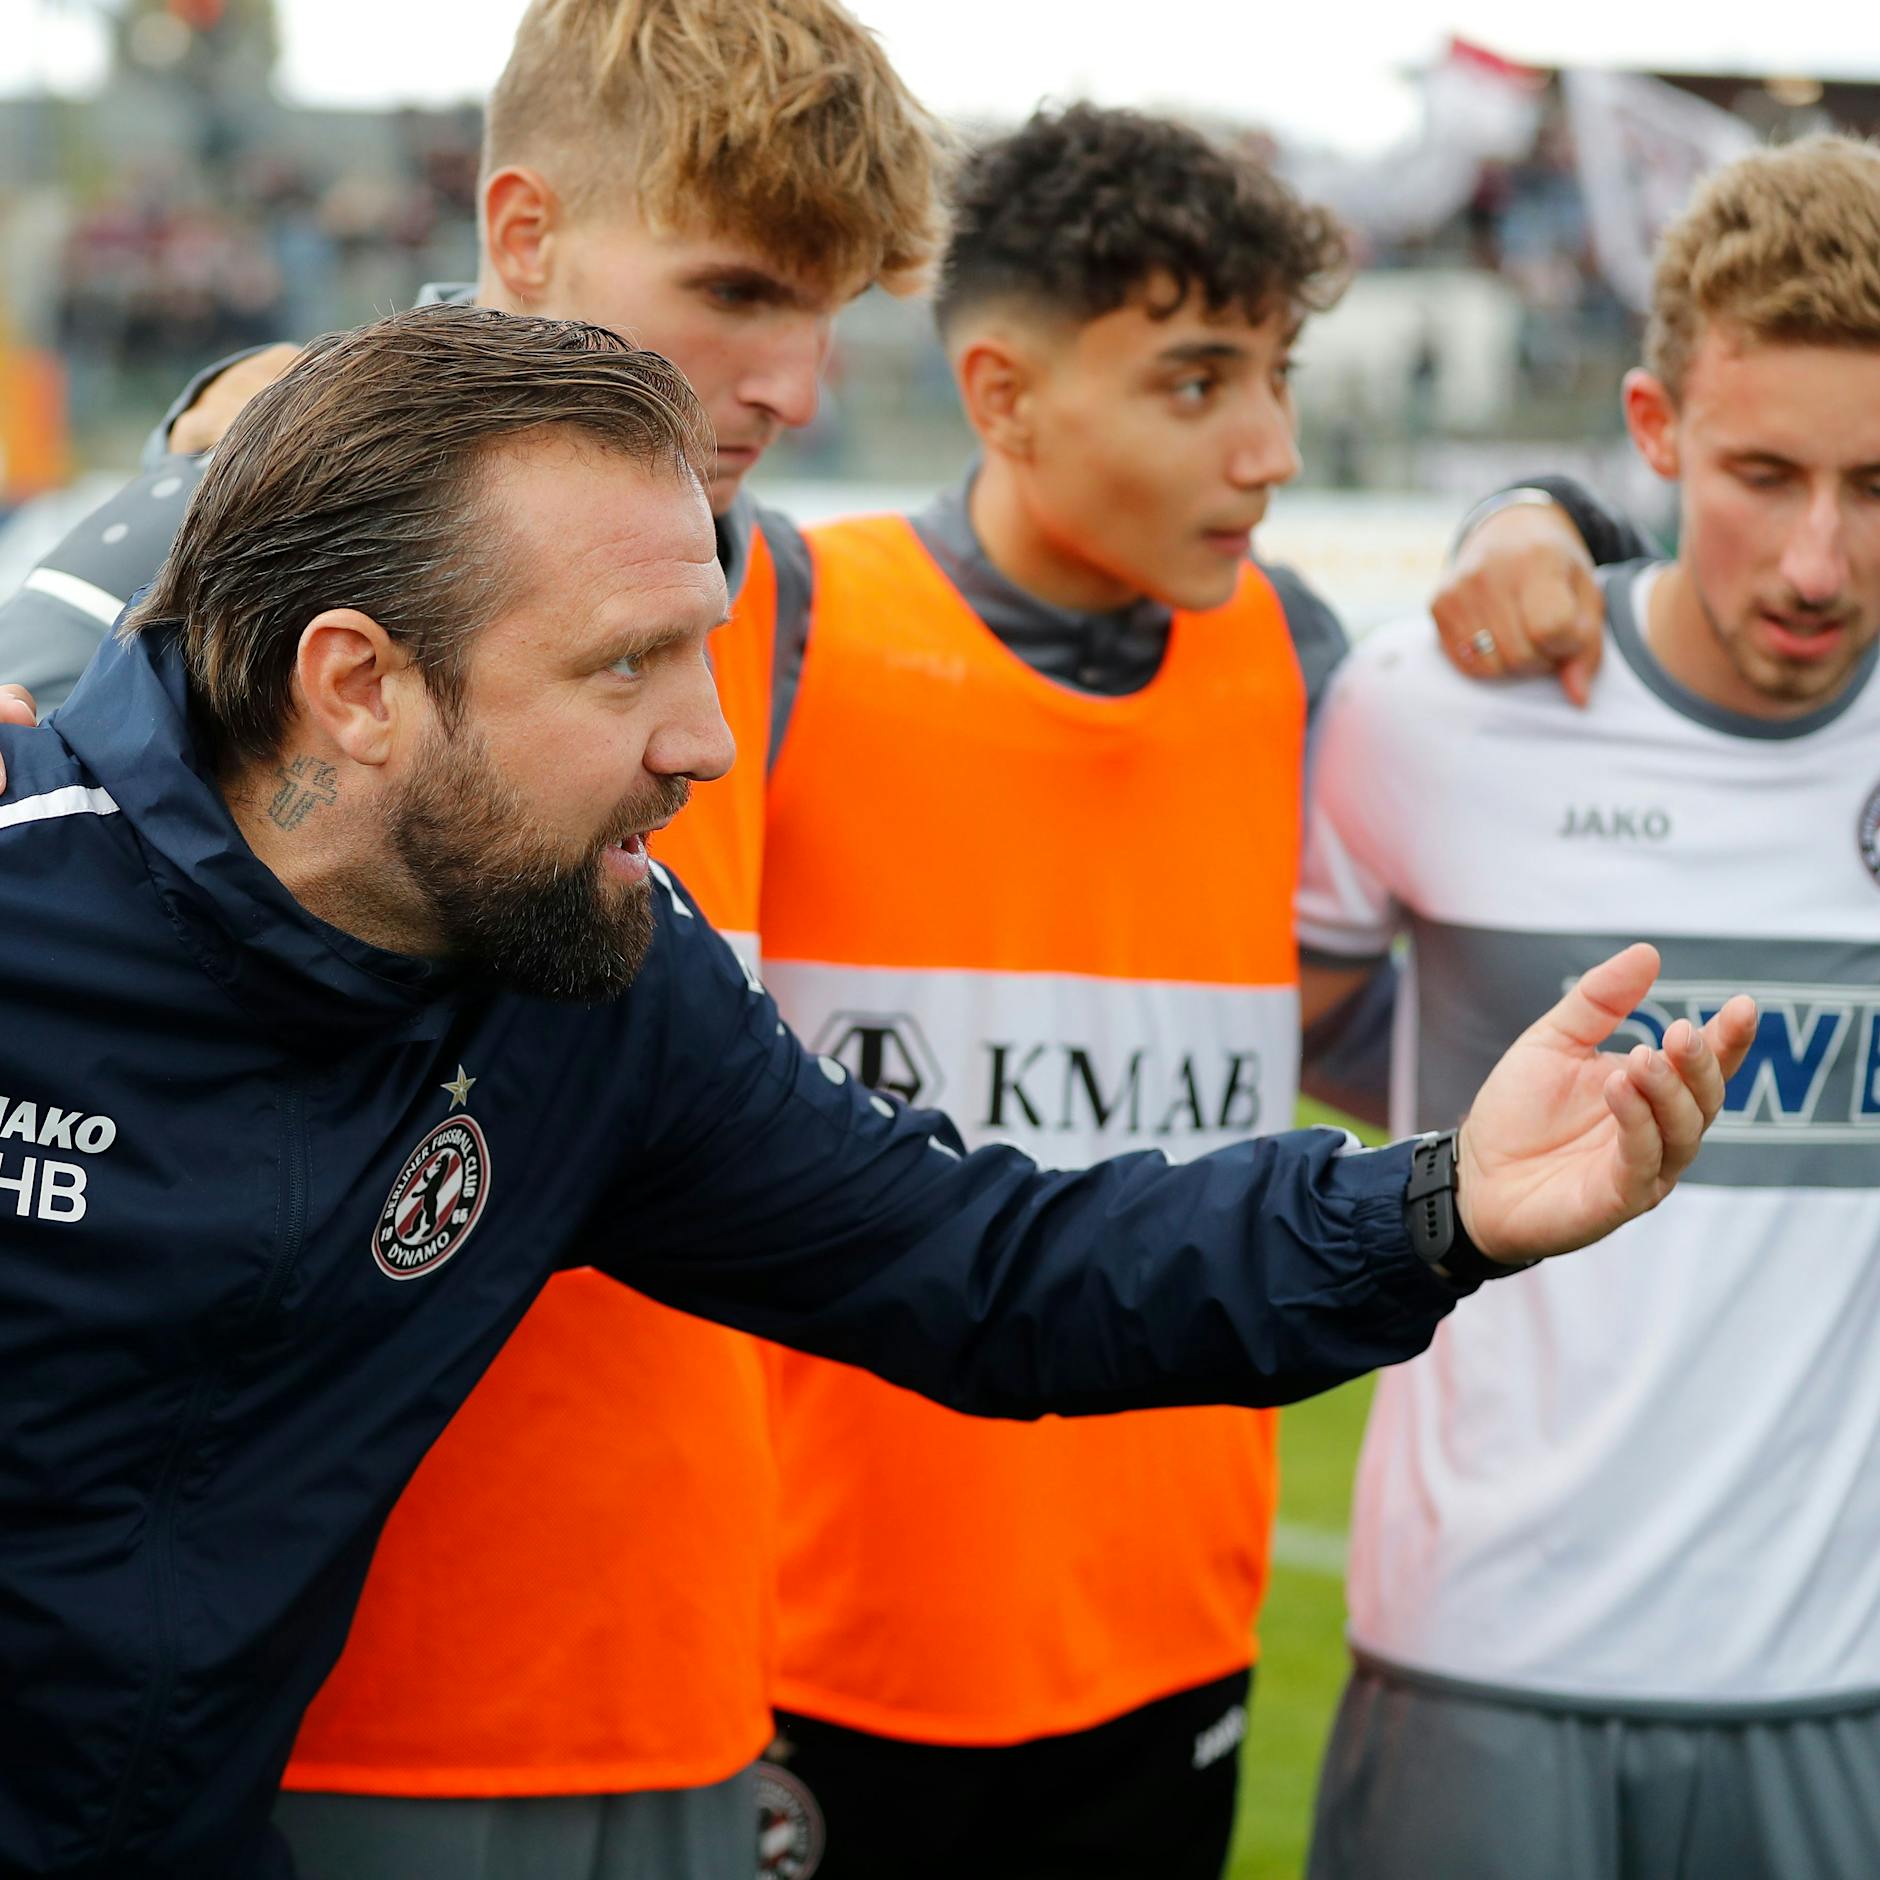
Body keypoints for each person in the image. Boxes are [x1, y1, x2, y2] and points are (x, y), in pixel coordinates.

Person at [0, 301, 1750, 1880]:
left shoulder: (596, 991)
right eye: (624, 665)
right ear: (358, 684)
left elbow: (991, 1269)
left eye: (702, 646)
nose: (704, 740)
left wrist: (1434, 1206)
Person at [0, 5, 944, 1875]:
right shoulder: (209, 545)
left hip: (669, 1671)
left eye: (832, 316)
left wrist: (1538, 517)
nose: (796, 384)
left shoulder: (789, 603)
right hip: (324, 1737)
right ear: (522, 238)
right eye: (741, 292)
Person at [739, 106, 1665, 1879]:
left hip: (1170, 1641)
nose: (1273, 447)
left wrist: (1546, 514)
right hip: (804, 1651)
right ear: (1002, 394)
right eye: (1196, 384)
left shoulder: (1307, 665)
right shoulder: (787, 631)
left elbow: (1359, 1030)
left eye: (1282, 375)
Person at [1298, 134, 1880, 1880]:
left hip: (1838, 1680)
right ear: (1649, 433)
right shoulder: (1431, 711)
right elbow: (1280, 1030)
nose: (1816, 560)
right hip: (1478, 1657)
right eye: (1760, 473)